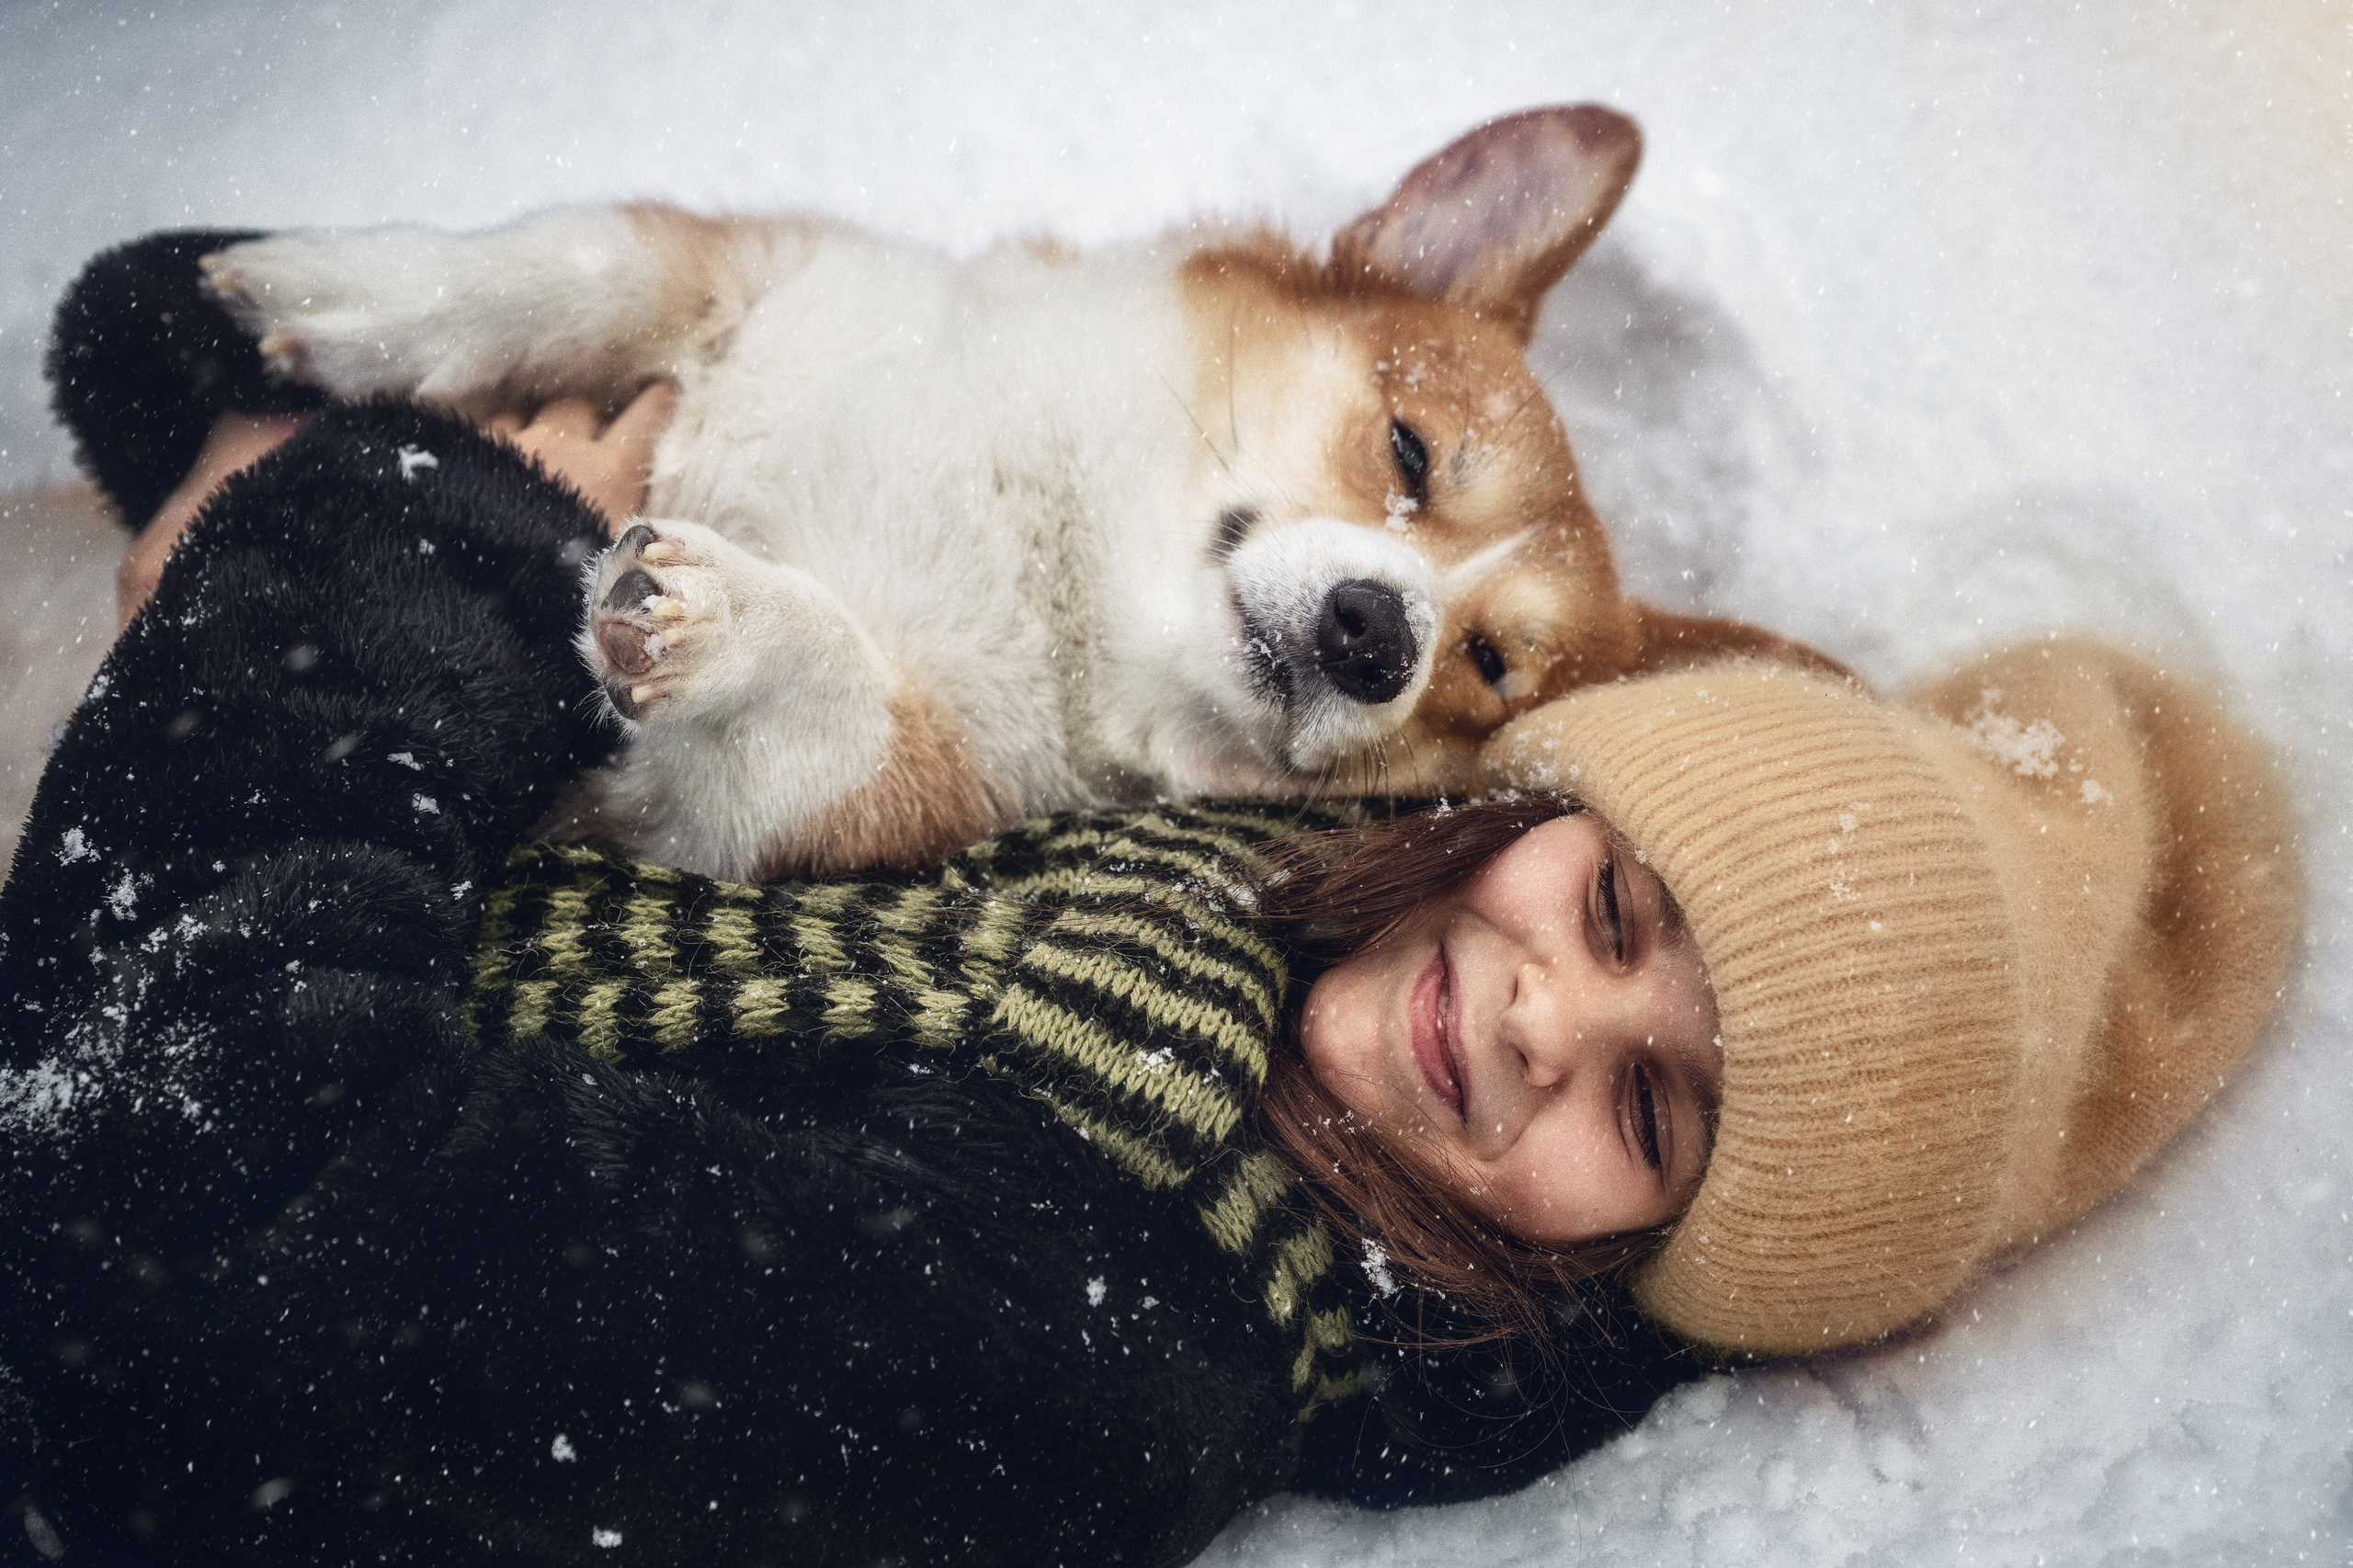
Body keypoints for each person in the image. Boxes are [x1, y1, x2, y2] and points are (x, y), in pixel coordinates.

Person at [0, 234, 2299, 1565]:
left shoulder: (1102, 1341)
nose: (1533, 1021)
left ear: (1647, 1276)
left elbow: (158, 1204)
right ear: (1511, 803)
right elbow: (153, 324)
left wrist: (386, 566)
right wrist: (279, 427)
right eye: (1613, 907)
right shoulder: (1249, 845)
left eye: (1658, 1117)